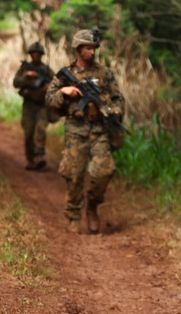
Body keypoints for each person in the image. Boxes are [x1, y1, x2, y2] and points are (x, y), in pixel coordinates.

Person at [46, 29, 124, 234]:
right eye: (88, 48)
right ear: (79, 49)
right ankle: (73, 215)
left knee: (104, 171)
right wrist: (64, 92)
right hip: (76, 128)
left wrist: (116, 110)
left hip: (99, 129)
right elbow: (49, 99)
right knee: (74, 173)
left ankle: (92, 206)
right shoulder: (66, 74)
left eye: (93, 48)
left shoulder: (104, 73)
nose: (92, 51)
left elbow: (118, 97)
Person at [13, 41, 54, 171]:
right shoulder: (25, 69)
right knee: (29, 132)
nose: (36, 56)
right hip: (29, 105)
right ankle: (30, 159)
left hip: (42, 105)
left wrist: (49, 86)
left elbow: (56, 83)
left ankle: (40, 157)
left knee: (41, 130)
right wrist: (27, 76)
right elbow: (16, 83)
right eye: (34, 54)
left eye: (38, 54)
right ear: (30, 55)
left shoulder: (46, 70)